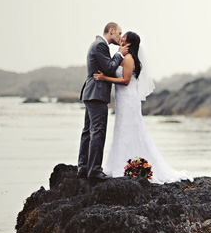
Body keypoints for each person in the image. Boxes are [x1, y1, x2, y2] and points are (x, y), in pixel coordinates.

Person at [93, 31, 192, 184]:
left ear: (129, 42)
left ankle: (127, 166)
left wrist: (104, 78)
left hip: (128, 100)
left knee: (128, 129)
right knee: (122, 130)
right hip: (123, 100)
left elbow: (125, 81)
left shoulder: (129, 59)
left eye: (124, 37)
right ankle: (121, 165)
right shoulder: (123, 57)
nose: (121, 39)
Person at [78, 23, 128, 182]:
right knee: (97, 131)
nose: (120, 37)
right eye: (119, 33)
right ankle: (94, 170)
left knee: (88, 131)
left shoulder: (97, 44)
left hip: (91, 93)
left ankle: (84, 166)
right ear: (111, 31)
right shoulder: (100, 45)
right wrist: (119, 54)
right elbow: (109, 68)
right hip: (96, 94)